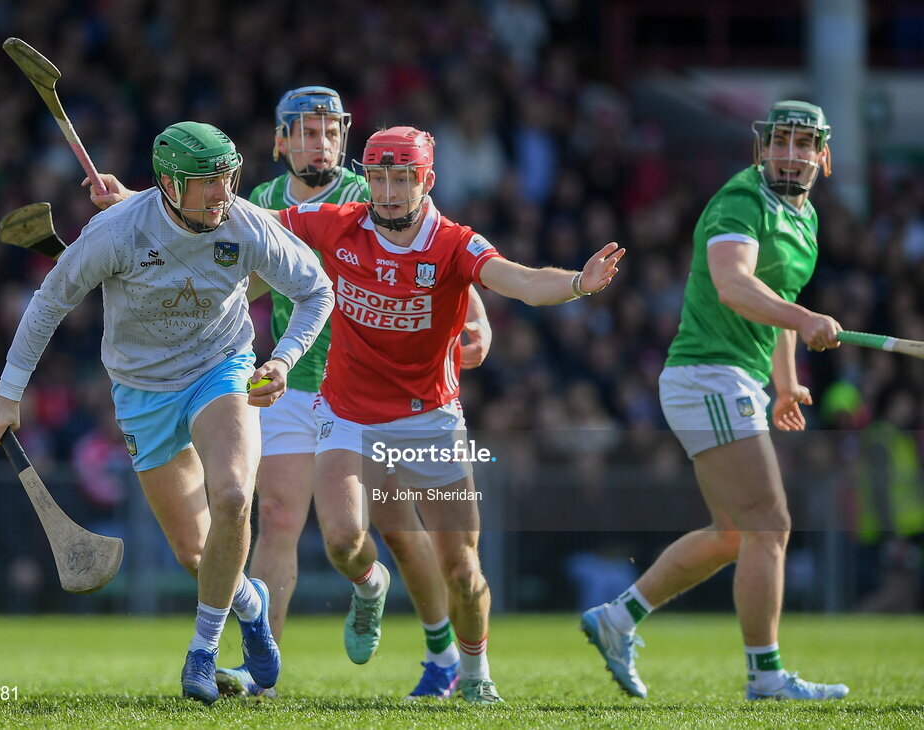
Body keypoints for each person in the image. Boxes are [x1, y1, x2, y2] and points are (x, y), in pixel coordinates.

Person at [88, 87, 492, 701]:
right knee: (275, 518)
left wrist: (479, 318)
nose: (318, 142)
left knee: (397, 531)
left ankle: (439, 651)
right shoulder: (253, 205)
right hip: (290, 383)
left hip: (372, 391)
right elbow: (216, 264)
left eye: (329, 131)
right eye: (303, 131)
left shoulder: (373, 193)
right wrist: (136, 214)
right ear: (279, 143)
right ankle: (262, 673)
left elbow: (442, 252)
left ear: (345, 140)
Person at [0, 121, 334, 705]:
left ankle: (201, 651)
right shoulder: (116, 231)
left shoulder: (246, 225)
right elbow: (50, 301)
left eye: (228, 178)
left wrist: (283, 359)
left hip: (220, 370)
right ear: (169, 184)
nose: (222, 193)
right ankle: (251, 602)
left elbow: (315, 289)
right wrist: (10, 390)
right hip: (142, 392)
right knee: (196, 554)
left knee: (232, 498)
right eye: (206, 183)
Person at [270, 126, 624, 704]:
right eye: (379, 177)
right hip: (347, 413)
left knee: (460, 568)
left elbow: (522, 281)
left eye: (401, 179)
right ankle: (369, 584)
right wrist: (138, 202)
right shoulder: (335, 223)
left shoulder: (455, 243)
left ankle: (476, 673)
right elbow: (241, 220)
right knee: (341, 540)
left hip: (429, 419)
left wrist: (578, 284)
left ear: (426, 182)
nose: (386, 191)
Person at [580, 100, 850, 701]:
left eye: (804, 144)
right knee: (770, 525)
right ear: (763, 147)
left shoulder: (803, 219)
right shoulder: (741, 200)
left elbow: (772, 302)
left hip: (733, 380)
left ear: (823, 156)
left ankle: (617, 619)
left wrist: (784, 381)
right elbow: (734, 285)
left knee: (733, 533)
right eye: (781, 141)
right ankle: (766, 676)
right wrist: (806, 318)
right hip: (709, 377)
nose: (791, 154)